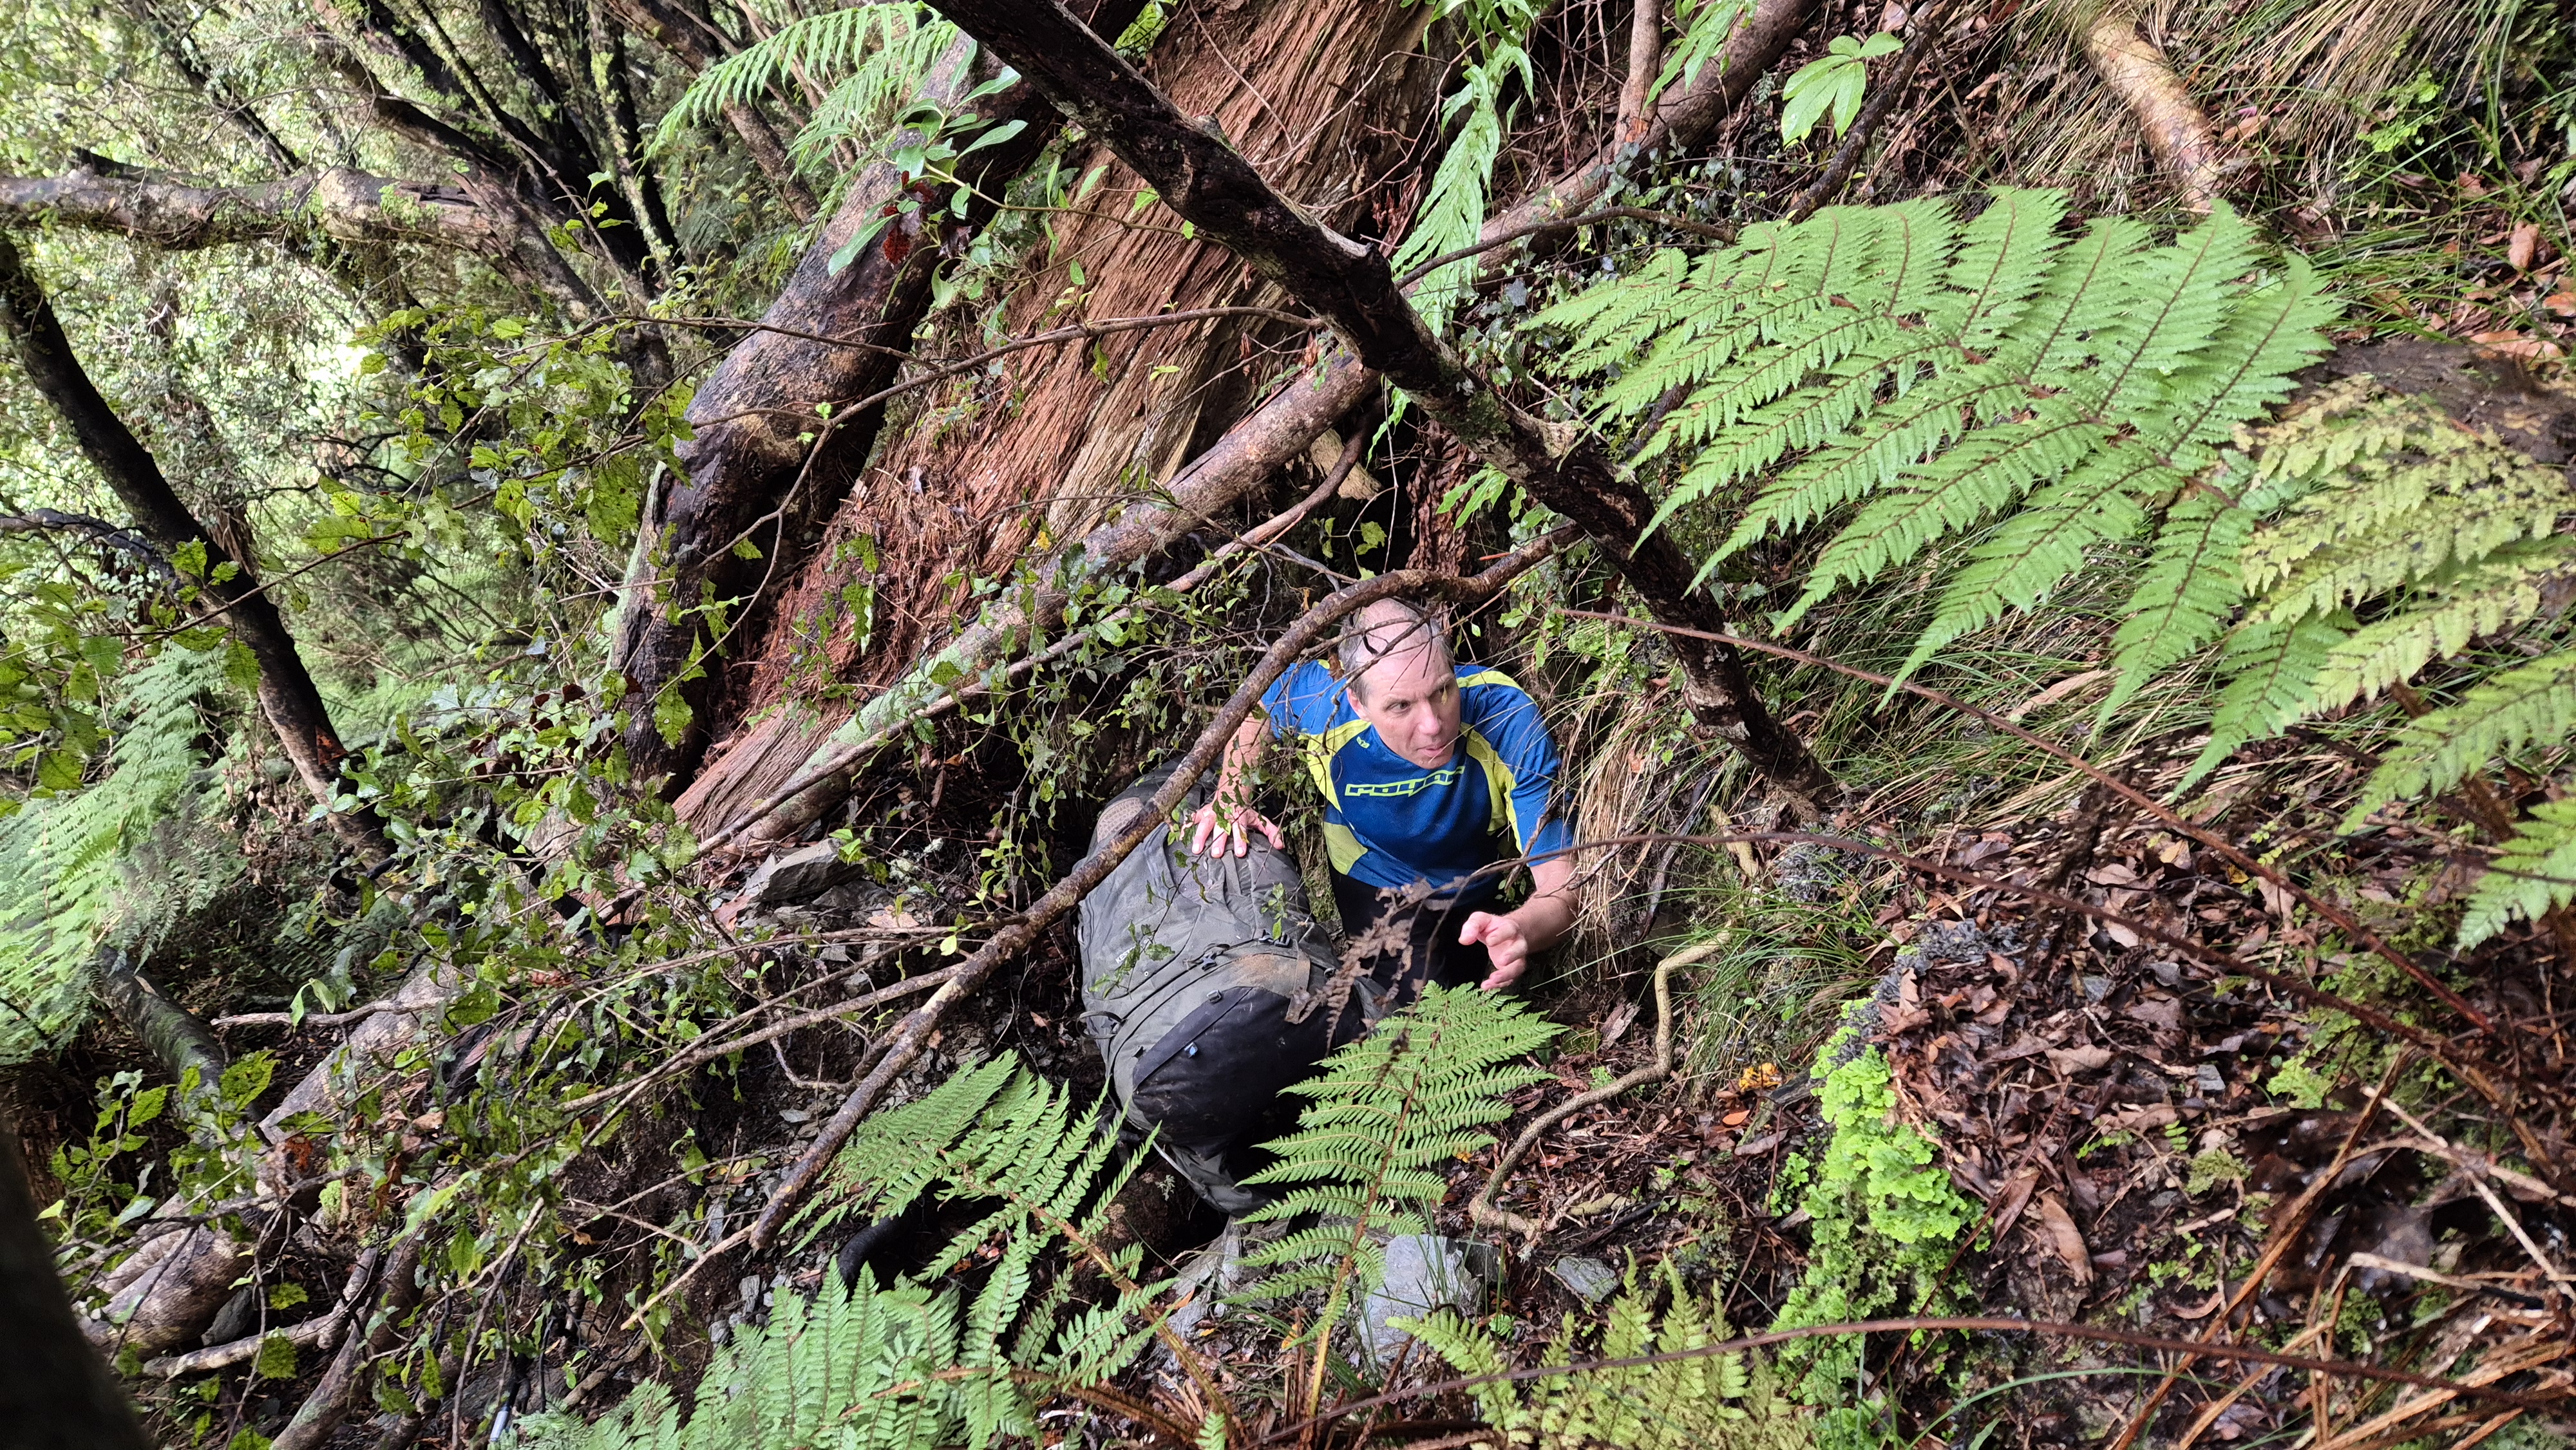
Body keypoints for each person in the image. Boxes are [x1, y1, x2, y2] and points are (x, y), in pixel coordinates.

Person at [1188, 597, 1577, 992]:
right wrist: (1231, 797)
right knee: (1418, 1013)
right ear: (1357, 703)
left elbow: (1562, 885)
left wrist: (1520, 929)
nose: (1432, 725)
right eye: (1400, 705)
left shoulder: (1503, 718)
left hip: (1473, 877)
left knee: (1497, 996)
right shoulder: (1325, 705)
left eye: (1443, 690)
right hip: (1374, 872)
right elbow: (1258, 702)